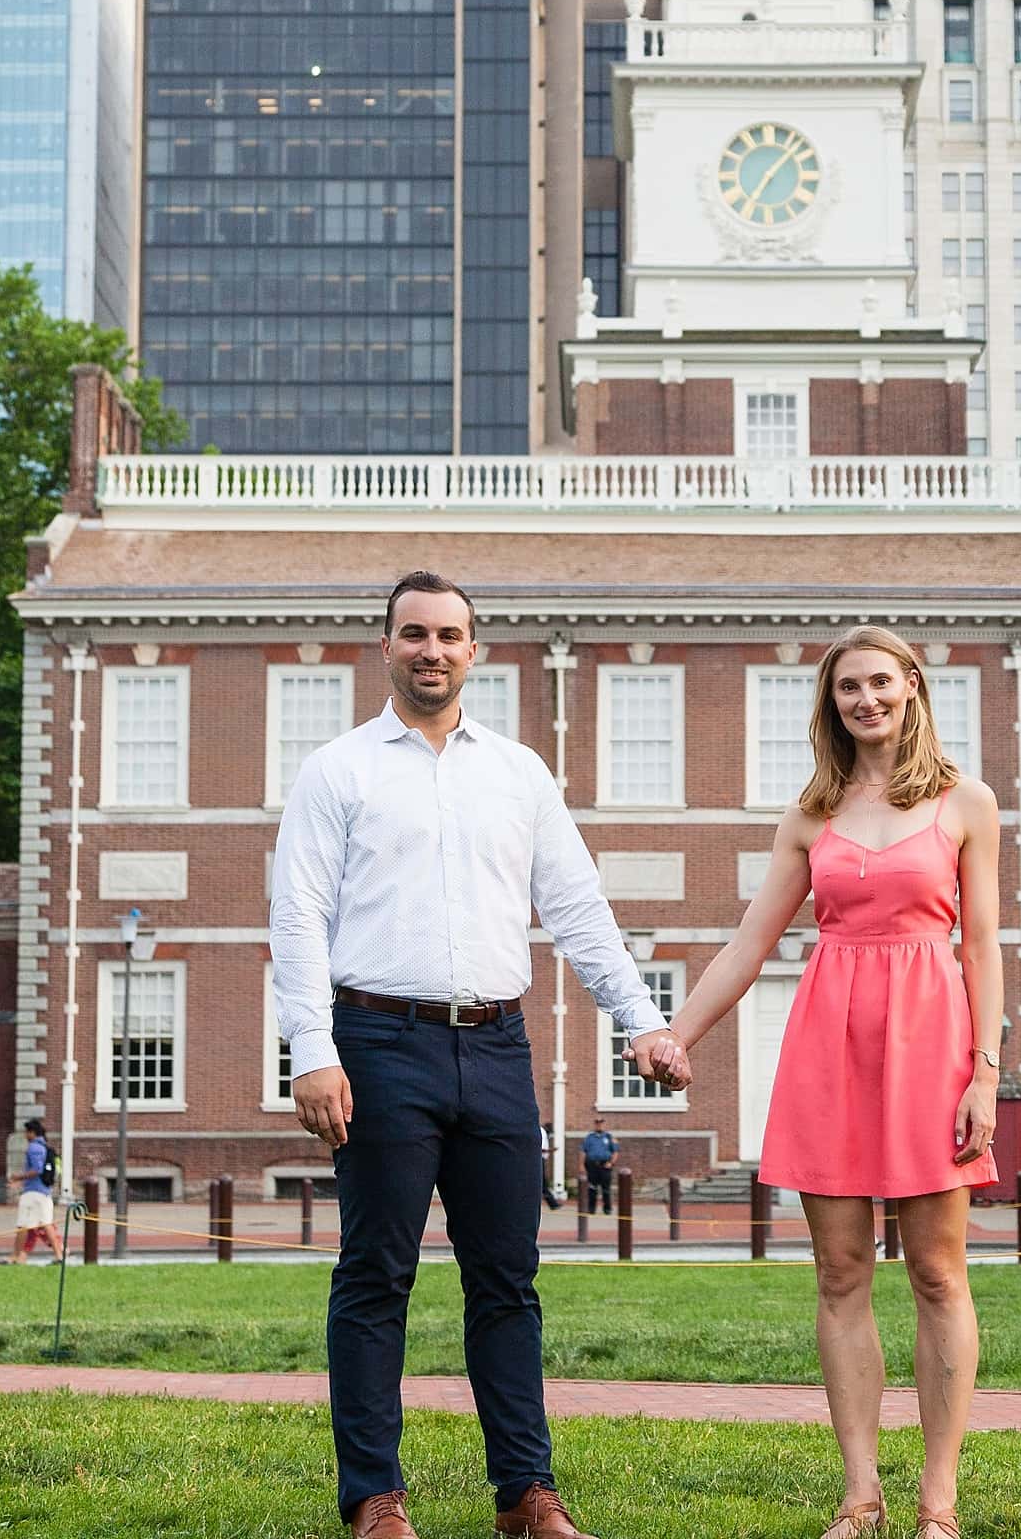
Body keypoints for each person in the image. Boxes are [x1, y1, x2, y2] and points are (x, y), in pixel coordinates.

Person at [271, 571, 690, 1539]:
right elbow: (297, 916)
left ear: (475, 650)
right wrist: (312, 1050)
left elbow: (579, 911)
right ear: (385, 647)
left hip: (497, 1045)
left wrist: (639, 1021)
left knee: (507, 1279)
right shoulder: (338, 769)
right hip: (376, 1040)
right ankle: (374, 1496)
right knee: (376, 1274)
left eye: (449, 635)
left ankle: (524, 1493)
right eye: (413, 634)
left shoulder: (518, 773)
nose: (431, 649)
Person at [668, 626, 1002, 1539]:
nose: (868, 700)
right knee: (840, 1272)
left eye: (881, 684)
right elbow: (751, 942)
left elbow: (982, 947)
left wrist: (986, 1074)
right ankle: (861, 1495)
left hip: (932, 1045)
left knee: (938, 1274)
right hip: (830, 1043)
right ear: (833, 703)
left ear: (912, 689)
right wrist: (678, 1033)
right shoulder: (810, 813)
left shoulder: (965, 802)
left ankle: (939, 1503)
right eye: (850, 687)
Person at [10, 1118, 63, 1264]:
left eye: (27, 1132)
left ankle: (15, 1256)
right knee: (46, 1224)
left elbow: (37, 1170)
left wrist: (18, 1177)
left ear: (32, 1133)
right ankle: (59, 1255)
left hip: (32, 1193)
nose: (25, 1136)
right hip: (44, 1192)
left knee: (22, 1225)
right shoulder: (45, 1147)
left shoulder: (33, 1147)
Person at [580, 1117, 619, 1216]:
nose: (599, 1125)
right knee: (592, 1188)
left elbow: (615, 1152)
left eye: (601, 1123)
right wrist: (581, 1165)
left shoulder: (609, 1137)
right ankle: (591, 1209)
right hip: (592, 1166)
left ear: (604, 1124)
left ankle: (607, 1209)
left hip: (605, 1166)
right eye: (597, 1123)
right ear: (595, 1124)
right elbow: (583, 1151)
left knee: (606, 1189)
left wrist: (611, 1163)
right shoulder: (589, 1137)